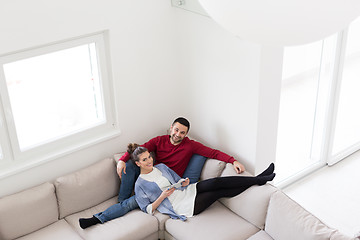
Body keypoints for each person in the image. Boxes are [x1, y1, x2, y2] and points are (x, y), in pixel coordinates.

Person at [79, 117, 246, 228]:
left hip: (166, 182)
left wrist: (233, 160)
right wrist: (122, 159)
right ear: (171, 128)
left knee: (131, 204)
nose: (178, 134)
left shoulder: (190, 145)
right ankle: (114, 205)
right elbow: (138, 150)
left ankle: (100, 217)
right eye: (176, 130)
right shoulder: (159, 141)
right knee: (129, 170)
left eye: (182, 132)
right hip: (151, 177)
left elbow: (213, 153)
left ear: (186, 134)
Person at [131, 144, 275, 220]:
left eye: (149, 157)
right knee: (217, 193)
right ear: (138, 164)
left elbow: (177, 180)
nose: (150, 161)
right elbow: (147, 209)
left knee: (215, 182)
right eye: (145, 160)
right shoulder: (140, 184)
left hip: (187, 191)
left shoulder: (160, 167)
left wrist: (184, 182)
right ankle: (259, 180)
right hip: (181, 206)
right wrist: (162, 196)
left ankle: (258, 179)